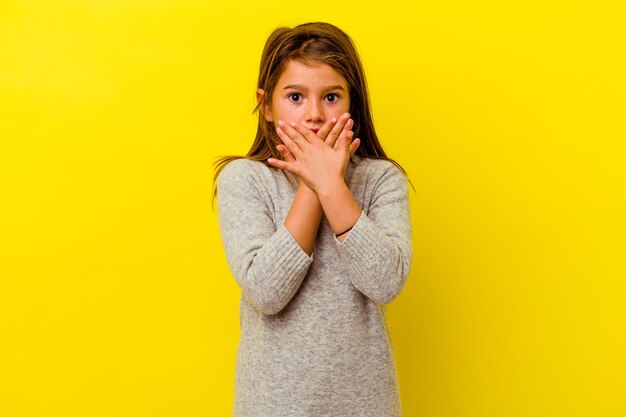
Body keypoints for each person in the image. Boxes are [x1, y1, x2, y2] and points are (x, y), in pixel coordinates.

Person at [212, 21, 413, 416]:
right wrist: (314, 183)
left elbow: (386, 282)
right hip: (273, 405)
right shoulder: (245, 180)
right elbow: (267, 292)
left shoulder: (381, 179)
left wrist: (333, 185)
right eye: (295, 97)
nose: (315, 115)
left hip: (365, 406)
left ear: (352, 103)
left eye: (332, 97)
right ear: (267, 105)